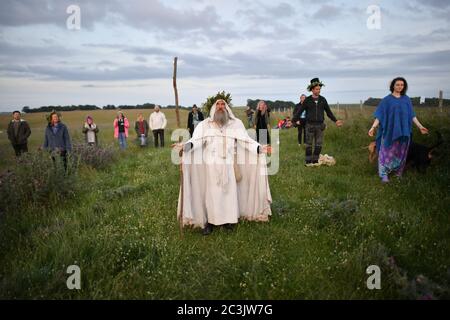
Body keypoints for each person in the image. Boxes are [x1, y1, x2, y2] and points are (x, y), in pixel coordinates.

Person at [174, 99, 272, 236]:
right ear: (214, 108)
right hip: (211, 166)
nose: (220, 107)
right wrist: (185, 147)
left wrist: (259, 148)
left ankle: (227, 221)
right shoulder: (204, 125)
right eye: (218, 105)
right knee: (212, 195)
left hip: (229, 165)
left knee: (229, 193)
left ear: (227, 108)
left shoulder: (235, 124)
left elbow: (246, 140)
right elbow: (195, 141)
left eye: (223, 105)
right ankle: (211, 222)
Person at [368, 77, 428, 183]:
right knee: (385, 152)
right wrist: (373, 127)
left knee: (401, 153)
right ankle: (384, 174)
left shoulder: (406, 100)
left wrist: (420, 126)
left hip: (404, 132)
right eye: (397, 84)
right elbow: (379, 116)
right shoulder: (386, 100)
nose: (400, 86)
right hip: (389, 132)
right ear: (393, 86)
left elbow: (412, 116)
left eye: (402, 85)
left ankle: (398, 173)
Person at [297, 78, 343, 166]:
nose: (318, 91)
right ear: (312, 89)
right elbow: (299, 112)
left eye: (319, 89)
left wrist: (336, 121)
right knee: (309, 145)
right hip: (310, 125)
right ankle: (308, 162)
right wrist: (293, 121)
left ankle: (315, 161)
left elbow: (329, 112)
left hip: (320, 125)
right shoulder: (307, 100)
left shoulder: (323, 100)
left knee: (318, 144)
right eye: (317, 89)